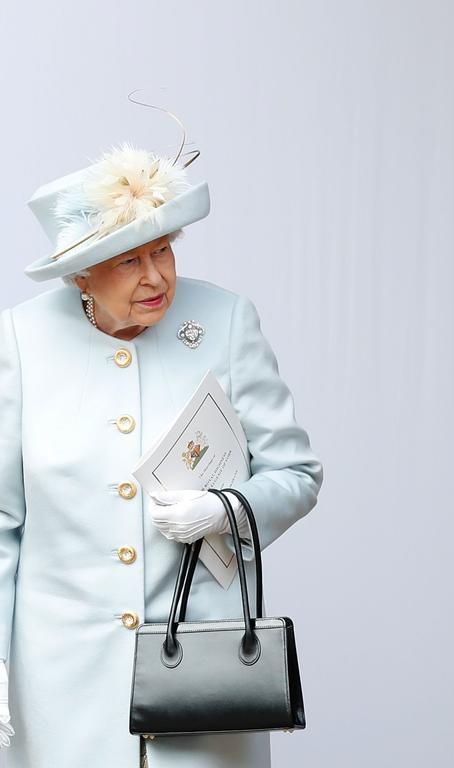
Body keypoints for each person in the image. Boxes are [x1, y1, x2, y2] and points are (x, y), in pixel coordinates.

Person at [0, 142, 323, 766]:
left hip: (202, 677)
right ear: (81, 273)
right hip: (62, 686)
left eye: (163, 250)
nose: (155, 277)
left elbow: (297, 473)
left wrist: (227, 508)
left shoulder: (226, 321)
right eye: (127, 261)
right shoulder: (19, 341)